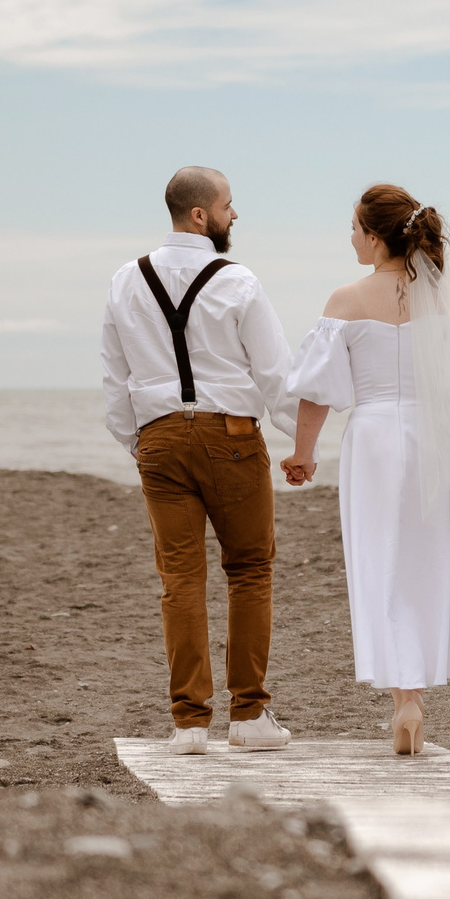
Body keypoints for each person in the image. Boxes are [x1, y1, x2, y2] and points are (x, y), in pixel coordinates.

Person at [281, 185, 450, 755]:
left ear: (375, 235)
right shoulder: (449, 296)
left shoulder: (346, 299)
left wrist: (302, 453)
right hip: (437, 440)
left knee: (382, 562)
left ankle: (404, 699)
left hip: (376, 441)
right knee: (429, 559)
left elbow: (316, 392)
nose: (351, 237)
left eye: (355, 227)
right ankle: (414, 691)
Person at [99, 166, 298, 755]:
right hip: (231, 435)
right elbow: (274, 371)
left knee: (180, 579)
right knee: (250, 569)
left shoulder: (124, 280)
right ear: (199, 216)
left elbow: (115, 377)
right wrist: (300, 440)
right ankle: (249, 716)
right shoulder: (238, 280)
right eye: (229, 206)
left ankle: (188, 724)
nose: (235, 215)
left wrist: (137, 440)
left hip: (159, 436)